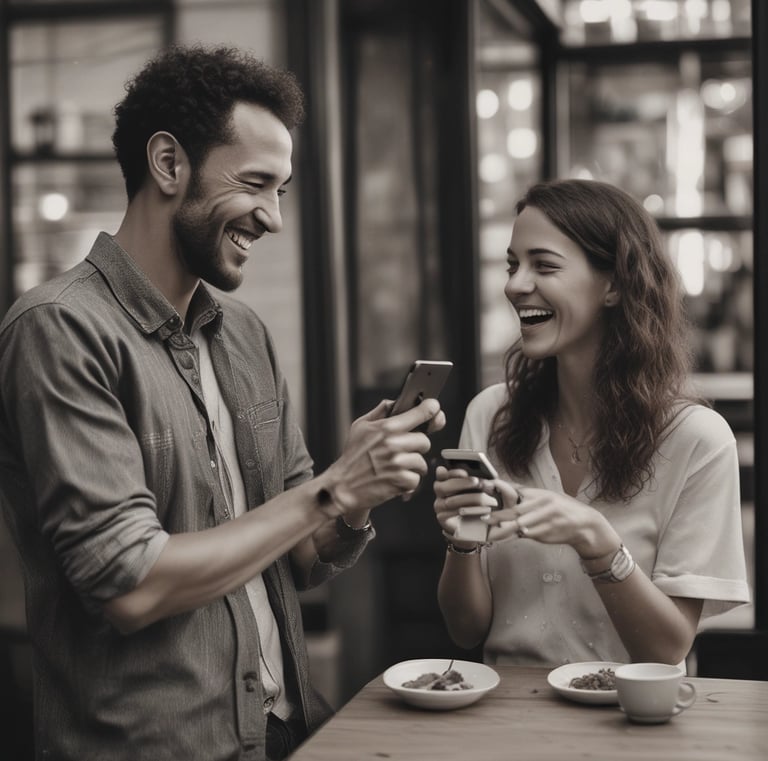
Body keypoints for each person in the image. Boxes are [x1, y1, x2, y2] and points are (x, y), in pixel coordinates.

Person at [0, 45, 444, 761]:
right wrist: (333, 489)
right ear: (169, 164)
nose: (272, 217)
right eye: (257, 184)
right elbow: (130, 585)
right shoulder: (59, 330)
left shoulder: (245, 336)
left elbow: (302, 555)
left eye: (284, 191)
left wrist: (358, 493)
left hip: (283, 731)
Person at [433, 178, 750, 668]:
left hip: (633, 724)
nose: (515, 285)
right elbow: (465, 629)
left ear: (614, 284)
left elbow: (667, 650)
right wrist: (461, 539)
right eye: (514, 265)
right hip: (508, 723)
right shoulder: (490, 414)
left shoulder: (698, 441)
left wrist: (597, 542)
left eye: (544, 265)